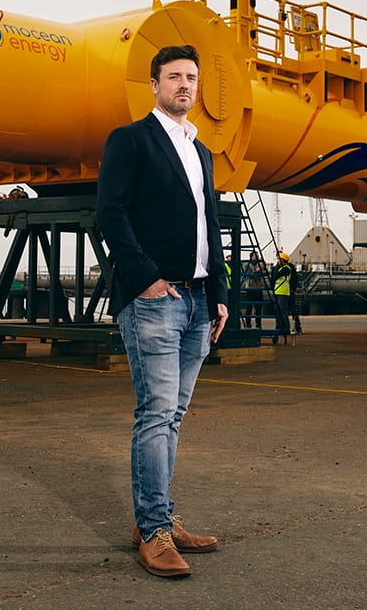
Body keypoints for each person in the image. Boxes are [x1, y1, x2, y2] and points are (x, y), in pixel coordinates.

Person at [96, 44, 229, 579]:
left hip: (198, 300)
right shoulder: (130, 140)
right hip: (156, 299)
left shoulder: (202, 151)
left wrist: (220, 294)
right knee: (155, 415)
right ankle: (154, 532)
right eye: (173, 77)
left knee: (173, 415)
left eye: (190, 77)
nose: (184, 85)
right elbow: (110, 213)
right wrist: (146, 278)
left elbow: (210, 225)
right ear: (154, 85)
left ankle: (158, 518)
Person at [271, 251, 302, 335]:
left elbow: (277, 276)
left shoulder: (287, 268)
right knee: (279, 311)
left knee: (289, 310)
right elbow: (273, 278)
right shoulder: (276, 268)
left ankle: (293, 328)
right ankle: (279, 327)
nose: (278, 260)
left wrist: (293, 288)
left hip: (285, 292)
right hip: (278, 291)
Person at [243, 250, 266, 328]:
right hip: (250, 288)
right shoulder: (247, 265)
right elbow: (249, 275)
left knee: (258, 308)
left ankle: (258, 324)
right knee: (249, 307)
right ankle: (248, 324)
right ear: (251, 257)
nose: (257, 258)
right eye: (255, 256)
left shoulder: (260, 264)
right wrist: (256, 271)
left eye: (257, 256)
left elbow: (263, 274)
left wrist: (258, 271)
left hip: (258, 288)